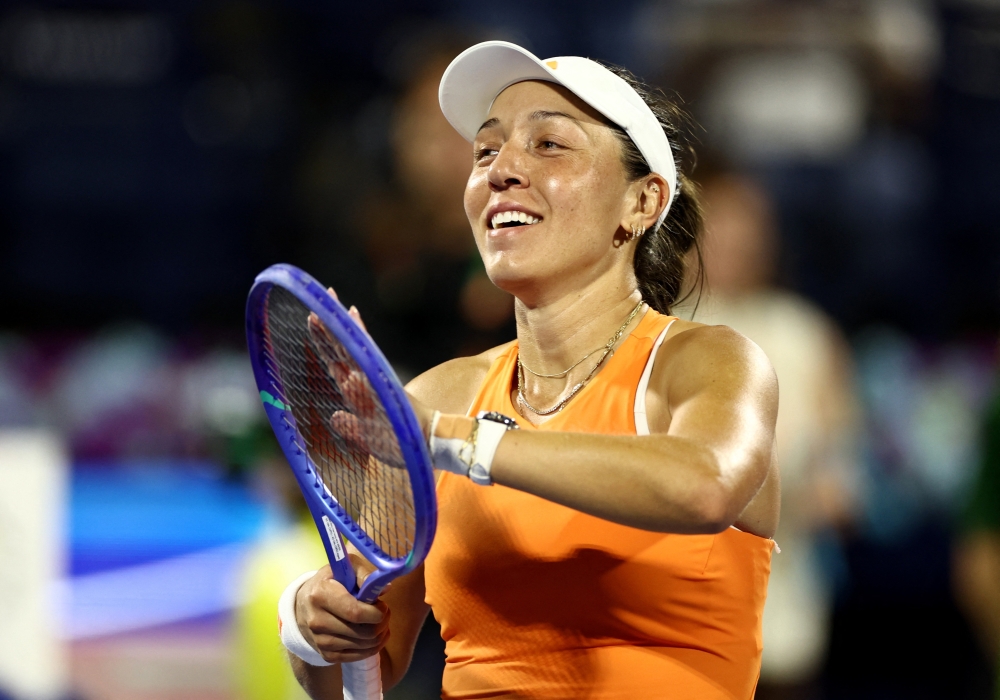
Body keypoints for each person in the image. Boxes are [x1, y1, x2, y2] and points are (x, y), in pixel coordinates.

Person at [284, 41, 779, 699]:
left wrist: (451, 440)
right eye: (485, 151)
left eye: (549, 145)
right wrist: (311, 625)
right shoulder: (439, 395)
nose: (502, 170)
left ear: (642, 203)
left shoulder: (708, 362)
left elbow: (707, 485)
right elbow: (365, 665)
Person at [679, 171, 860, 699]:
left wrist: (832, 487)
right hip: (676, 610)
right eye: (720, 225)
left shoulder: (806, 333)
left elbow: (841, 471)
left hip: (782, 601)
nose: (734, 241)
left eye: (747, 227)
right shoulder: (654, 329)